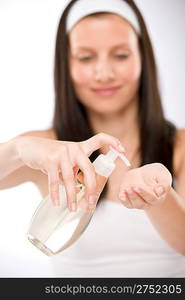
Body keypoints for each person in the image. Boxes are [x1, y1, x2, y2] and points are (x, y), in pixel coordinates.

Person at [1, 0, 185, 277]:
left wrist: (160, 195)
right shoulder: (50, 151)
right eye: (86, 58)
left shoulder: (179, 147)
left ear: (143, 59)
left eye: (120, 55)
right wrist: (18, 149)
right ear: (66, 65)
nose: (104, 73)